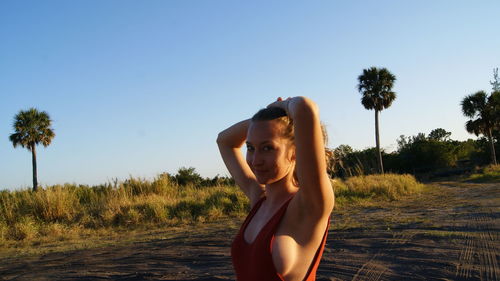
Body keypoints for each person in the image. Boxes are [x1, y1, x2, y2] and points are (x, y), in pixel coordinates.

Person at [216, 96, 334, 281]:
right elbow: (224, 140)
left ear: (295, 153)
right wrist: (270, 120)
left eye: (267, 148)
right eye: (251, 147)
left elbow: (304, 108)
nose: (255, 161)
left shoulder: (309, 205)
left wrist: (280, 107)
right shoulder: (259, 198)